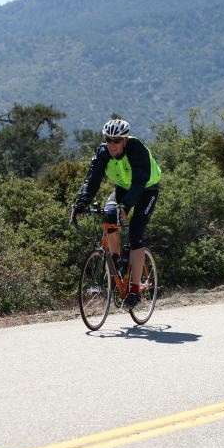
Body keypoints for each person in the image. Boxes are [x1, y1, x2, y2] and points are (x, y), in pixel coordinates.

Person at [71, 119, 161, 308]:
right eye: (108, 139)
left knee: (135, 233)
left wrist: (126, 207)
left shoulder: (137, 150)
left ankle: (135, 290)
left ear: (125, 139)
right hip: (123, 187)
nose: (112, 144)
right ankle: (116, 258)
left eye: (116, 140)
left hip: (146, 189)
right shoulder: (103, 152)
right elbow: (92, 179)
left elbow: (139, 183)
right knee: (109, 212)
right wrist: (80, 204)